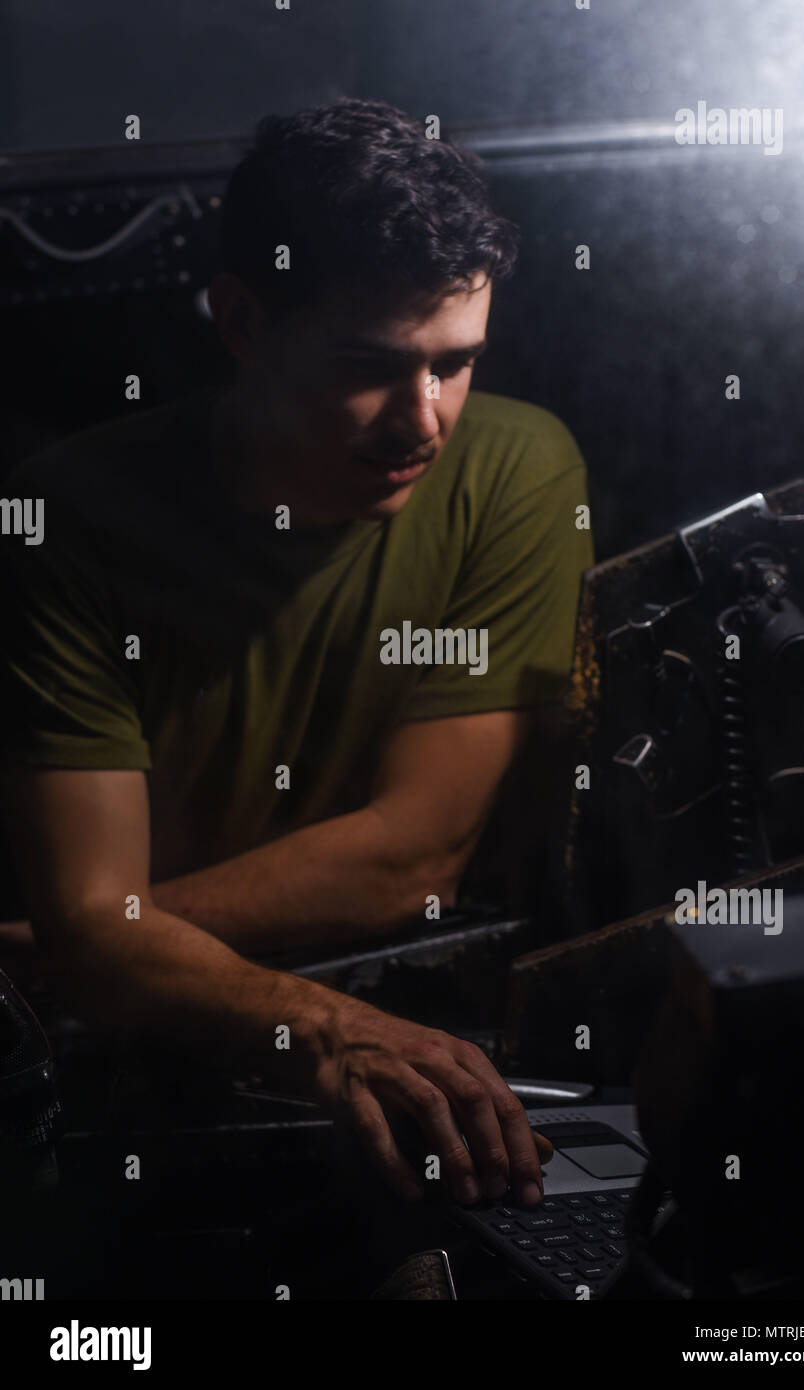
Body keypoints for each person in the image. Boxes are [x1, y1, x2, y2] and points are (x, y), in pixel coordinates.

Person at [0, 98, 593, 1208]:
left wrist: (95, 945)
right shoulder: (61, 518)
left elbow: (415, 853)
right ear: (243, 322)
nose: (423, 419)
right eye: (368, 366)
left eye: (455, 365)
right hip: (101, 1100)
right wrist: (310, 1027)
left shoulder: (519, 470)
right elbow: (91, 916)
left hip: (379, 1026)